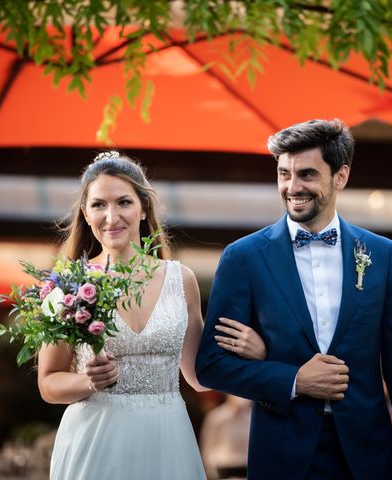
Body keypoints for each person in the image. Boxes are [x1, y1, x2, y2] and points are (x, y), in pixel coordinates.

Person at [196, 119, 392, 480]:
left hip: (368, 457)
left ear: (340, 176)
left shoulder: (384, 256)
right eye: (284, 174)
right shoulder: (242, 257)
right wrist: (294, 379)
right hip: (281, 455)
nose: (293, 187)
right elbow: (212, 365)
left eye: (306, 174)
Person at [37, 152, 266, 480]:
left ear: (143, 208)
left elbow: (200, 376)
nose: (111, 216)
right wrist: (87, 381)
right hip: (95, 439)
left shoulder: (180, 280)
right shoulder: (70, 285)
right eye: (99, 204)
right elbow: (48, 382)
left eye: (123, 202)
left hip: (167, 438)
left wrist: (256, 355)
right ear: (85, 214)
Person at [199, 394, 253, 479]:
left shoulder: (253, 418)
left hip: (247, 465)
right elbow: (207, 444)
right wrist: (208, 469)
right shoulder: (216, 416)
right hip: (224, 465)